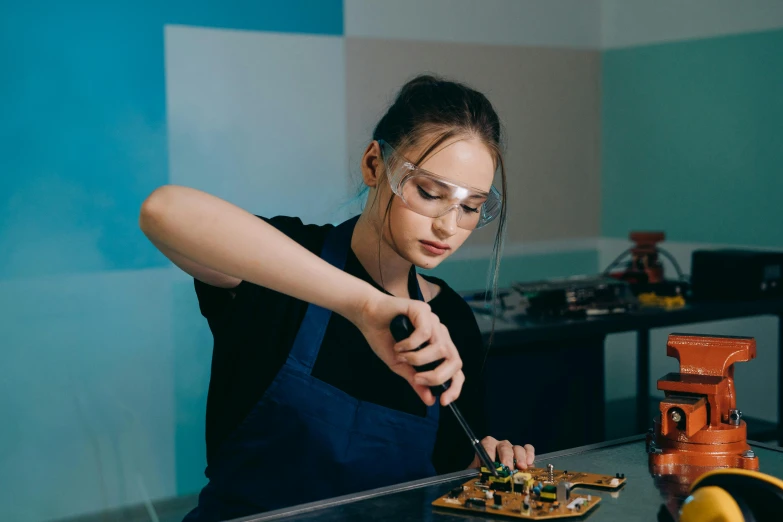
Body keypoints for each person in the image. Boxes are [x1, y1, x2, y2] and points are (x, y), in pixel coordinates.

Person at [139, 74, 534, 521]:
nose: (448, 226)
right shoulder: (283, 262)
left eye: (470, 206)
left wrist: (484, 462)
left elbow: (448, 466)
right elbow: (163, 212)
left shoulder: (450, 319)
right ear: (373, 164)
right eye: (429, 192)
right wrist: (365, 305)